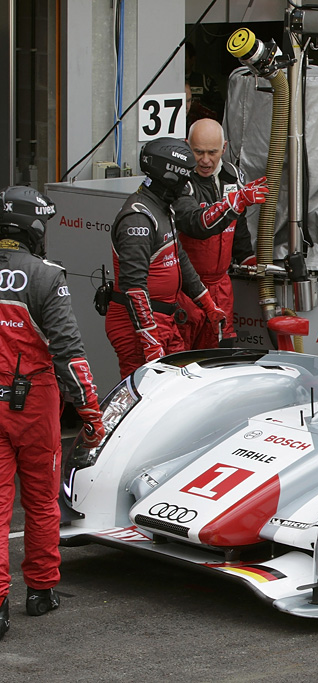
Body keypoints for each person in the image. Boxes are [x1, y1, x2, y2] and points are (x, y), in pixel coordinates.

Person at [0, 186, 105, 640]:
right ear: (33, 228)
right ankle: (40, 591)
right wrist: (91, 414)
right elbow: (70, 354)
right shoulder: (46, 276)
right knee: (41, 501)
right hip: (34, 403)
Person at [105, 138, 226, 377]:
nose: (187, 184)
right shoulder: (138, 218)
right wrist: (148, 337)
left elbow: (179, 257)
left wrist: (209, 305)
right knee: (145, 395)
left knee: (176, 386)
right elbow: (133, 286)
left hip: (165, 319)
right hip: (138, 324)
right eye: (185, 178)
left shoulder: (161, 207)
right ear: (170, 177)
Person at [173, 120, 266, 350]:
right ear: (187, 147)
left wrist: (246, 258)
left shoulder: (232, 175)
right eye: (198, 152)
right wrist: (232, 206)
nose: (205, 160)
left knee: (222, 354)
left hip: (221, 285)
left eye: (212, 152)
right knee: (186, 356)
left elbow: (239, 222)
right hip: (188, 288)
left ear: (224, 148)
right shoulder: (180, 181)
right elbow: (194, 224)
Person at [184, 42, 223, 121]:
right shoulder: (170, 83)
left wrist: (199, 107)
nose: (180, 61)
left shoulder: (205, 81)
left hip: (200, 126)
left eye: (184, 58)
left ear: (192, 59)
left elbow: (219, 110)